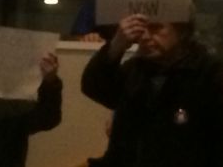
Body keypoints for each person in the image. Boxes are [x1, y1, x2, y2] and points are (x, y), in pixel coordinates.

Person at [81, 13, 223, 167]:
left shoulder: (210, 74)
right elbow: (95, 88)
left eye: (155, 27)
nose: (145, 36)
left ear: (182, 31)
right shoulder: (136, 68)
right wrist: (116, 45)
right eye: (141, 29)